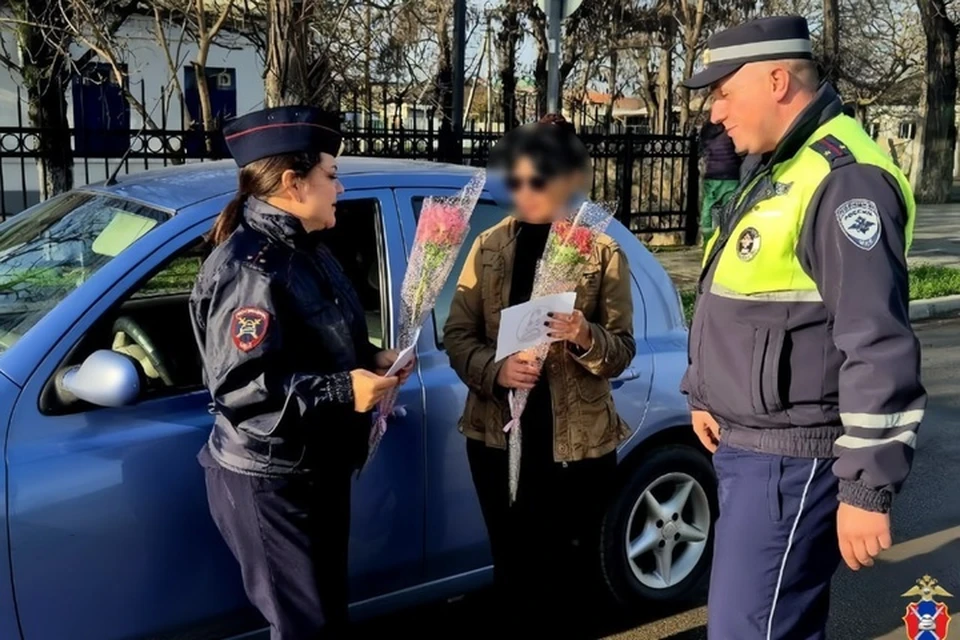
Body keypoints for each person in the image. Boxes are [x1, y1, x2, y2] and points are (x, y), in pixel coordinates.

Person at [680, 16, 926, 639]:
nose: (715, 112)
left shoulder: (844, 179)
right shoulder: (778, 165)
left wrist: (866, 486)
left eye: (723, 92)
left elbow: (876, 339)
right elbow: (740, 294)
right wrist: (703, 391)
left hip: (790, 462)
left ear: (776, 80)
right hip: (753, 448)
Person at [189, 105, 413, 639]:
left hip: (313, 469)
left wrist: (370, 359)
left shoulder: (306, 248)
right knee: (305, 628)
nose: (340, 188)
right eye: (331, 175)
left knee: (323, 618)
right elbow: (243, 389)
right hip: (273, 480)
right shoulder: (250, 269)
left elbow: (313, 342)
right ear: (293, 183)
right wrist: (345, 389)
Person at [443, 114, 635, 633]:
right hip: (498, 438)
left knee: (571, 577)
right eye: (516, 180)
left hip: (578, 447)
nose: (523, 192)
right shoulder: (489, 246)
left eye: (537, 180)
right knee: (513, 571)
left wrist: (584, 335)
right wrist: (496, 369)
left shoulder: (601, 250)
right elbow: (457, 335)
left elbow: (621, 351)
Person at [698, 119, 742, 243]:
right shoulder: (729, 132)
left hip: (712, 174)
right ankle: (726, 234)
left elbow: (702, 150)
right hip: (730, 174)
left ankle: (707, 234)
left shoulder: (707, 132)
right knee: (730, 206)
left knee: (708, 205)